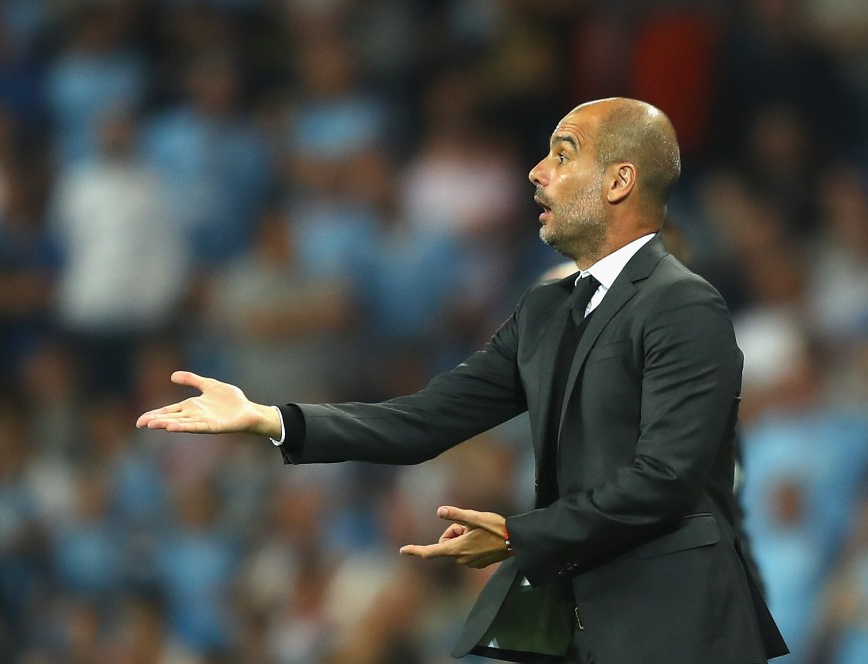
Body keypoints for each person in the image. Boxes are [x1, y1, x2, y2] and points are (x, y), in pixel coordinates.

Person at [137, 98, 789, 663]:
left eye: (562, 156)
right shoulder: (545, 312)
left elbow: (666, 480)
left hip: (680, 627)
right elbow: (423, 420)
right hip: (587, 621)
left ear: (620, 181)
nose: (537, 173)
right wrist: (271, 418)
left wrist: (516, 534)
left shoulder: (684, 305)